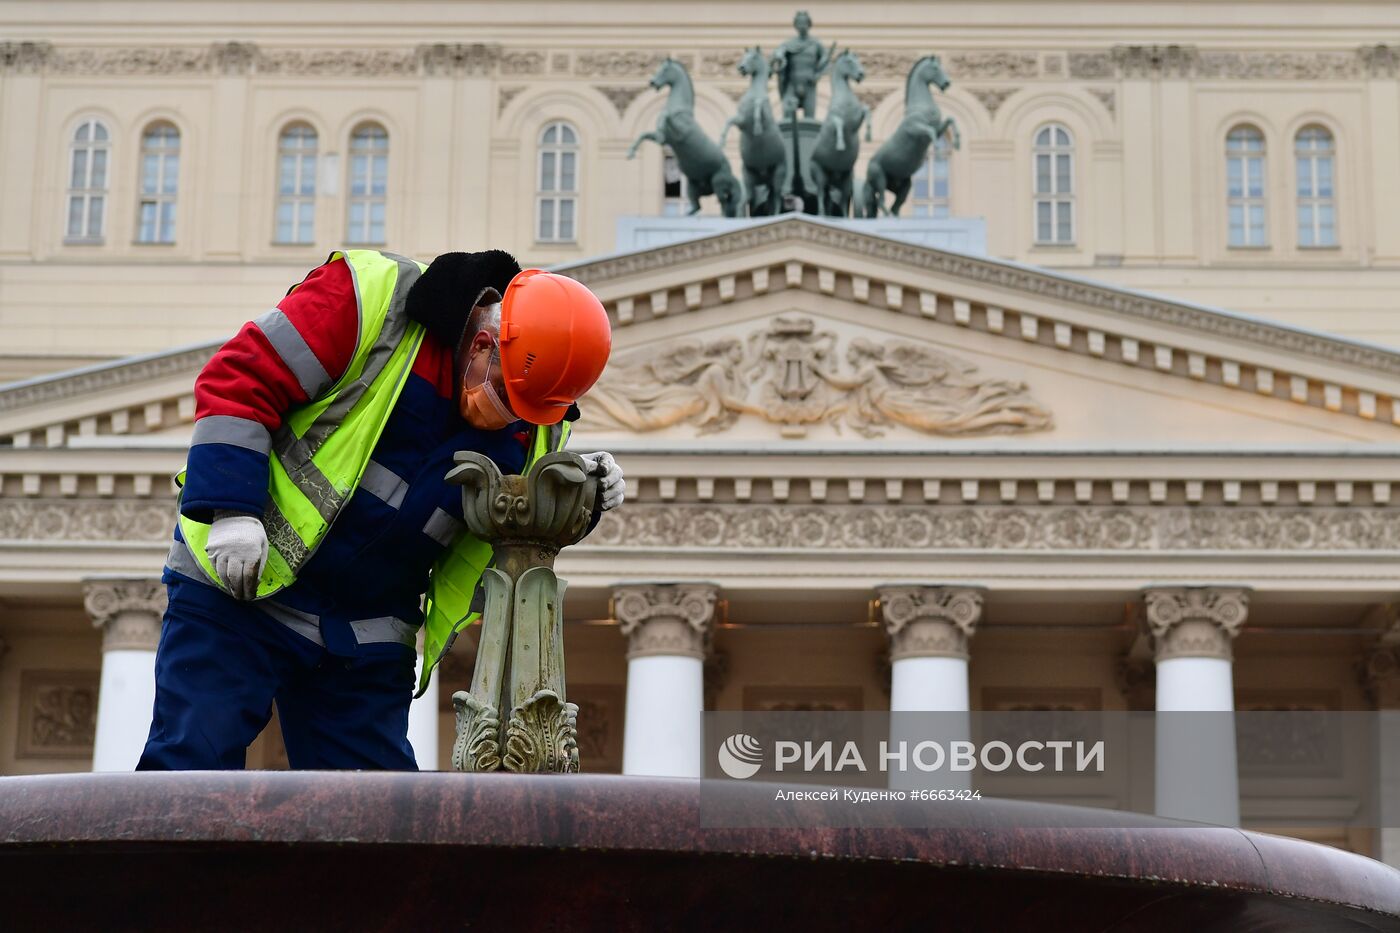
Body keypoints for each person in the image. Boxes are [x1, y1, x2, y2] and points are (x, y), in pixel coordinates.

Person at [138, 248, 622, 771]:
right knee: (188, 774)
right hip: (242, 592)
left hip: (363, 638)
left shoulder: (535, 420)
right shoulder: (371, 300)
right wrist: (231, 508)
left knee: (373, 826)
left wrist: (582, 496)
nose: (508, 418)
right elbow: (239, 379)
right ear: (481, 344)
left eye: (527, 409)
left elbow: (518, 533)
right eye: (505, 395)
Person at [770, 10, 833, 120]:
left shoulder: (816, 44)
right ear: (795, 25)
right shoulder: (788, 44)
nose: (802, 26)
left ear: (809, 24)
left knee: (809, 119)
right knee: (787, 117)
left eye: (804, 23)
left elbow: (826, 62)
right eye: (799, 23)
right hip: (792, 85)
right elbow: (777, 56)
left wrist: (818, 74)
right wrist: (779, 56)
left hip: (809, 86)